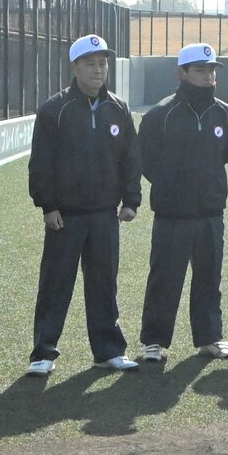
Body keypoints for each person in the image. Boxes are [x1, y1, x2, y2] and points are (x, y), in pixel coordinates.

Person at [26, 34, 142, 374]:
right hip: (65, 217)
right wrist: (48, 206)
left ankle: (108, 351)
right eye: (90, 63)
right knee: (55, 285)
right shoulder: (54, 109)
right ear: (75, 67)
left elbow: (131, 159)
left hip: (105, 215)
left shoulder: (118, 108)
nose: (98, 70)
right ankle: (43, 353)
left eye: (103, 63)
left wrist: (131, 200)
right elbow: (41, 163)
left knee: (104, 285)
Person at [137, 42, 228, 361]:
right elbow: (146, 160)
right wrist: (172, 186)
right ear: (182, 73)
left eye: (212, 70)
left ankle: (210, 338)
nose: (208, 76)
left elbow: (224, 154)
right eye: (200, 70)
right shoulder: (161, 114)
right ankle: (153, 341)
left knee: (209, 277)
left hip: (210, 211)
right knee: (164, 279)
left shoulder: (224, 113)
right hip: (172, 213)